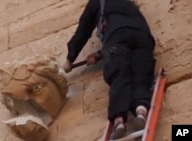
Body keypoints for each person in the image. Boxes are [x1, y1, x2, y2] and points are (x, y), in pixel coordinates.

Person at [62, 0, 156, 140]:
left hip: (117, 38)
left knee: (119, 75)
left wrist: (69, 59)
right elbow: (126, 32)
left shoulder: (97, 2)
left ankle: (119, 121)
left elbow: (83, 31)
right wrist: (100, 54)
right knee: (140, 75)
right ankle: (141, 110)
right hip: (143, 37)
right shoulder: (127, 4)